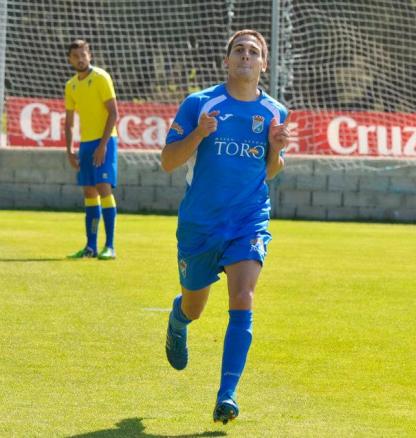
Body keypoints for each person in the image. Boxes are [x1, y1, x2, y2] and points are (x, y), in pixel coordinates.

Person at [160, 29, 289, 425]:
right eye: (239, 50)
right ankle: (178, 319)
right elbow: (168, 161)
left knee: (243, 296)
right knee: (196, 307)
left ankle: (227, 396)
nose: (246, 56)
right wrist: (199, 132)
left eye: (254, 52)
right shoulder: (200, 104)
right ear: (227, 60)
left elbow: (267, 171)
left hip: (248, 219)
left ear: (264, 64)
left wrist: (278, 151)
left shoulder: (274, 113)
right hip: (200, 223)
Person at [64, 39, 119, 260]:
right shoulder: (71, 85)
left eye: (83, 54)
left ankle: (110, 246)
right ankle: (90, 247)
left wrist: (103, 145)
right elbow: (68, 122)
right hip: (85, 144)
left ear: (90, 55)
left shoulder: (101, 78)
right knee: (88, 191)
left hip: (105, 141)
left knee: (103, 187)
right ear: (70, 59)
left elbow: (114, 113)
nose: (80, 58)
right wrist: (69, 150)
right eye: (75, 55)